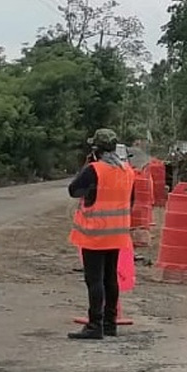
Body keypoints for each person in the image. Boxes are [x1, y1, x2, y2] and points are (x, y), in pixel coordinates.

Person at [66, 128, 136, 340]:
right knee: (110, 279)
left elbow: (74, 190)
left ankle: (94, 325)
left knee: (94, 280)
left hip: (94, 234)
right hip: (117, 234)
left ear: (96, 149)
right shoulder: (127, 171)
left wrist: (86, 166)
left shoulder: (94, 170)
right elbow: (130, 202)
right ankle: (109, 323)